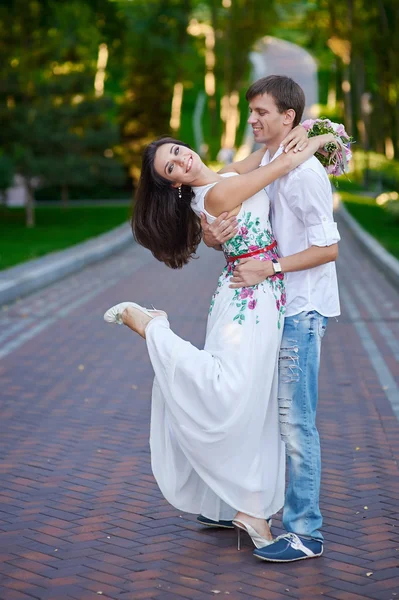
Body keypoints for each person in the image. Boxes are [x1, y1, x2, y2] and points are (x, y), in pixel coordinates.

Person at [104, 126, 335, 552]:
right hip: (248, 296)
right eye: (171, 167)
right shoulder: (214, 197)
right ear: (173, 182)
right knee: (232, 391)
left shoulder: (221, 178)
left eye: (176, 151)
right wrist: (321, 141)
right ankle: (152, 326)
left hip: (257, 295)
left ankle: (243, 505)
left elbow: (261, 159)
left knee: (255, 404)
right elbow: (281, 165)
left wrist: (307, 129)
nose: (181, 160)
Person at [201, 75, 341, 562]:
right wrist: (210, 230)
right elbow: (217, 178)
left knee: (295, 424)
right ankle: (242, 505)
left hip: (301, 309)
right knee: (259, 407)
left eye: (263, 112)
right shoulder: (269, 159)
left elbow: (330, 248)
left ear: (288, 118)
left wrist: (271, 267)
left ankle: (306, 532)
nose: (253, 119)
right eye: (251, 111)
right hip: (275, 305)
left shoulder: (305, 175)